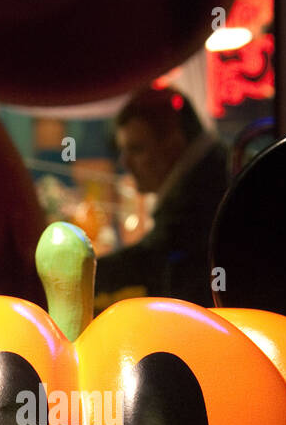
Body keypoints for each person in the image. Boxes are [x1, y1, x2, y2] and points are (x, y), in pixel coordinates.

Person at [95, 86, 229, 309]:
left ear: (173, 145)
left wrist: (85, 274)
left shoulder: (199, 193)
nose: (125, 162)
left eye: (136, 149)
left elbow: (152, 258)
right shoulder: (213, 169)